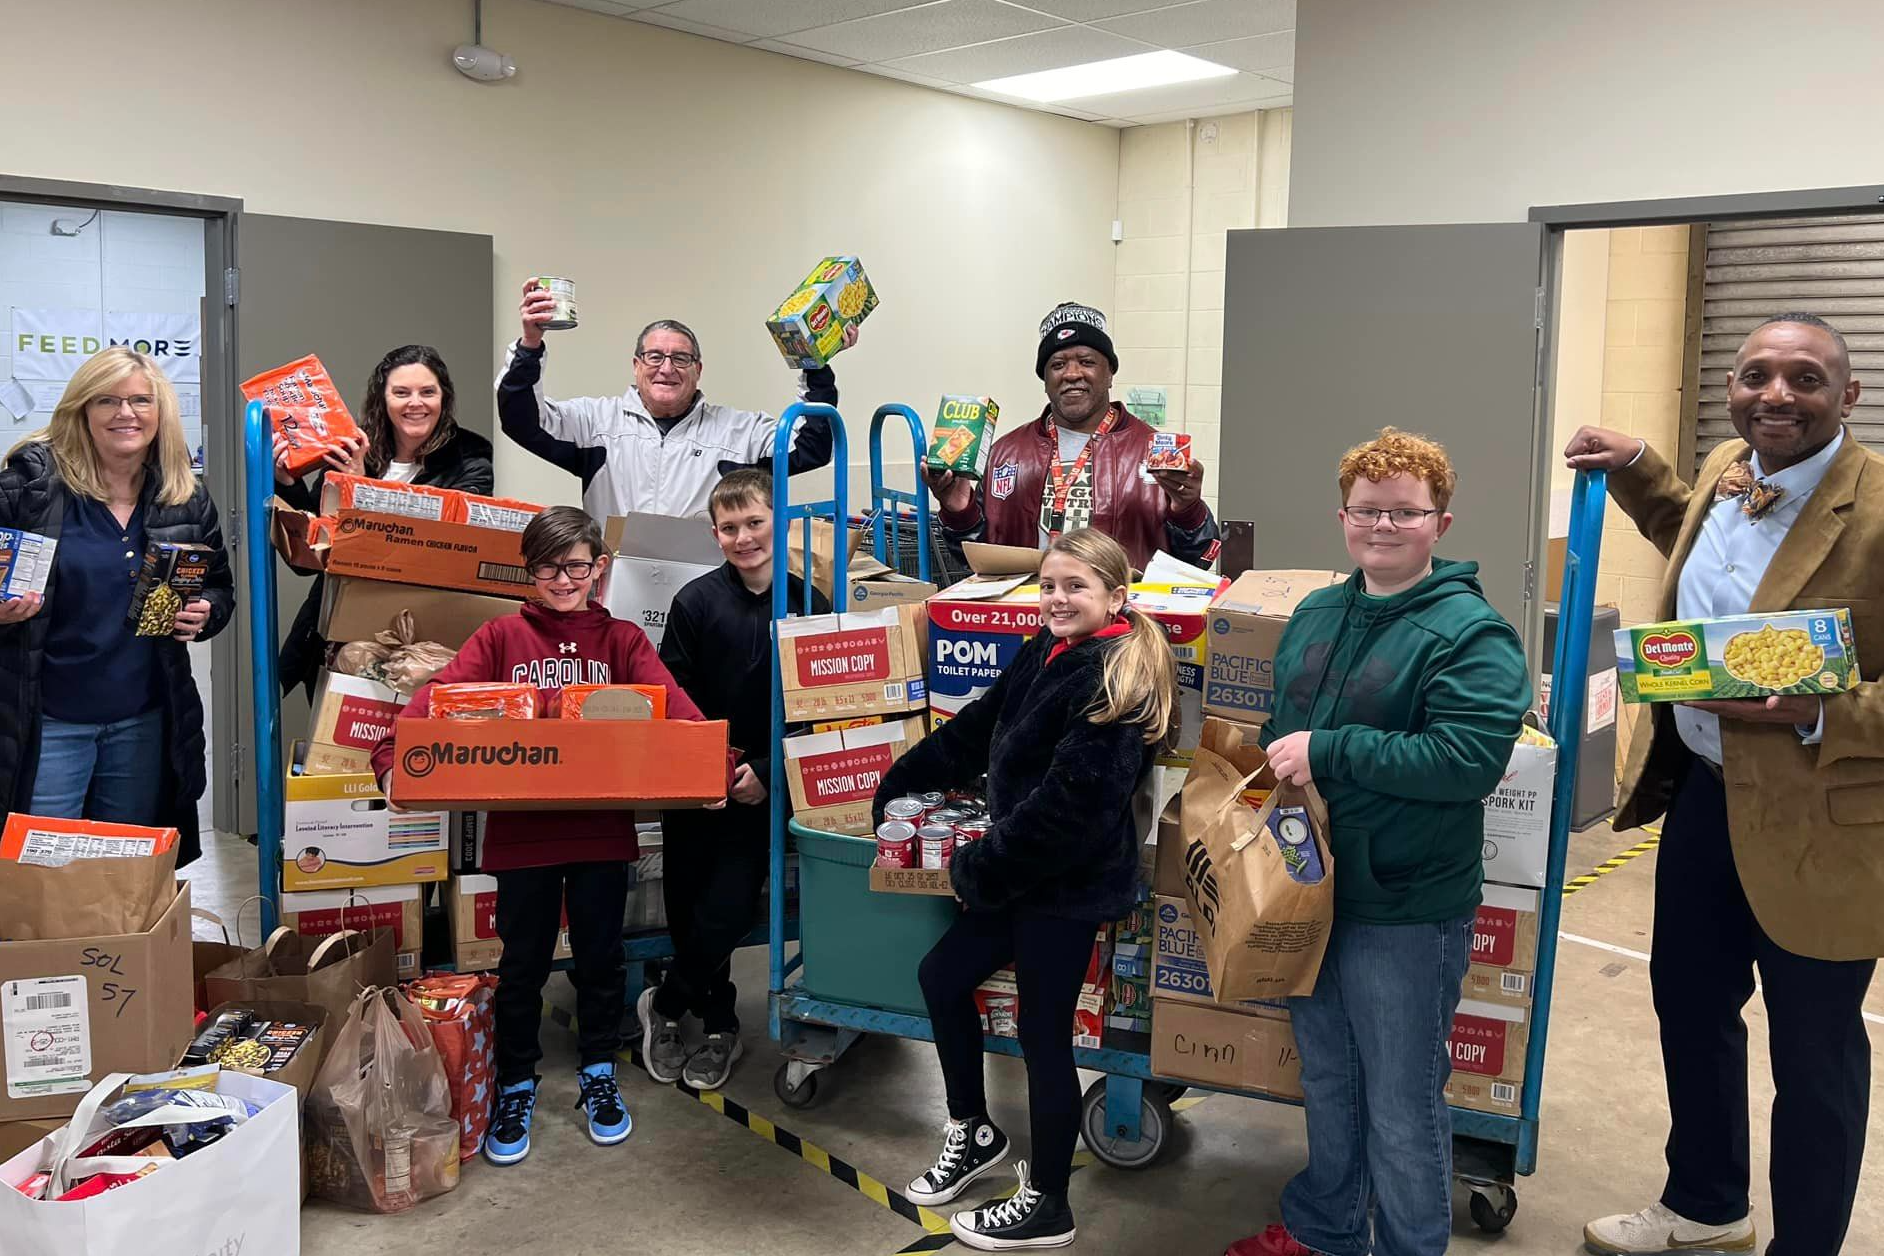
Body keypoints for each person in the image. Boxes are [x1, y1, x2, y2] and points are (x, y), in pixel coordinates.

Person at [1567, 313, 1884, 1256]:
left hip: (1824, 820)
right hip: (1705, 792)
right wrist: (1638, 466)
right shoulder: (1722, 468)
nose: (1774, 395)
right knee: (1692, 1004)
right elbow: (1697, 541)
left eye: (1803, 378)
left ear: (1849, 395)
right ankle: (1706, 1206)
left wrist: (1817, 713)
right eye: (1754, 376)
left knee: (1814, 1050)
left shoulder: (1877, 511)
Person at [1225, 428, 1528, 1256]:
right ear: (1342, 516)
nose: (1383, 526)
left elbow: (1466, 763)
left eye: (1405, 512)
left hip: (1403, 904)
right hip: (1310, 889)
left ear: (1442, 523)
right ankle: (1327, 1228)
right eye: (1368, 510)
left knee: (1401, 1102)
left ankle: (1408, 1244)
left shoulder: (1473, 636)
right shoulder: (1319, 610)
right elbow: (1283, 726)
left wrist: (1332, 749)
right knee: (1328, 1078)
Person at [371, 505, 710, 1167]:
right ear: (530, 571)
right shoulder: (500, 637)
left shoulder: (623, 645)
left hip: (601, 830)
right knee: (522, 965)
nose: (563, 579)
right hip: (522, 834)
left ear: (598, 570)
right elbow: (437, 700)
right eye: (550, 567)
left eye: (576, 566)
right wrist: (391, 757)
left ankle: (597, 1073)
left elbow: (677, 711)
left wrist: (721, 764)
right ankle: (518, 1081)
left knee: (601, 959)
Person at [872, 527, 1176, 1251]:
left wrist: (977, 872)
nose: (1058, 598)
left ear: (1115, 598)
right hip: (1019, 872)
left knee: (1043, 1037)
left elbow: (1069, 815)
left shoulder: (1114, 679)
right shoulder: (1046, 650)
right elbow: (978, 728)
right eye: (1049, 585)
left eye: (1076, 586)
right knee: (942, 977)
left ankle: (1047, 1202)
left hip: (1064, 887)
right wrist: (901, 781)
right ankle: (974, 1130)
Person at [0, 347, 234, 867]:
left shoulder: (184, 496)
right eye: (107, 400)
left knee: (123, 873)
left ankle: (115, 956)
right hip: (48, 720)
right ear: (81, 410)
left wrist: (206, 613)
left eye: (139, 401)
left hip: (142, 720)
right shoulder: (31, 486)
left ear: (160, 412)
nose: (125, 414)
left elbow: (219, 587)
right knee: (40, 872)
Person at [639, 469, 829, 1090]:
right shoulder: (695, 602)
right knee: (689, 910)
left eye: (755, 523)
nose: (744, 537)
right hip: (697, 782)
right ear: (714, 533)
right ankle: (720, 1023)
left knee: (729, 910)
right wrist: (720, 768)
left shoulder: (809, 604)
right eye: (730, 528)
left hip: (764, 790)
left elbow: (821, 709)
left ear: (779, 520)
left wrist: (768, 777)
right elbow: (675, 696)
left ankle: (663, 1005)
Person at [496, 280, 854, 520]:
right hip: (613, 595)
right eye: (654, 357)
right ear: (636, 366)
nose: (666, 368)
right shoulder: (595, 423)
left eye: (680, 359)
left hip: (702, 600)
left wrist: (816, 361)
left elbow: (811, 446)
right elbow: (522, 420)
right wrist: (530, 343)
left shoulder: (738, 432)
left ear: (698, 369)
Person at [928, 302, 1218, 573]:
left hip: (1121, 620)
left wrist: (1188, 510)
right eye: (1057, 365)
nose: (1072, 374)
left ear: (1110, 374)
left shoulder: (1153, 453)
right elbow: (974, 561)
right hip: (1028, 617)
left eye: (1086, 361)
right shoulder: (1006, 452)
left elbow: (1197, 562)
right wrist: (958, 511)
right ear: (1045, 380)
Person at [275, 344, 493, 698]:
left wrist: (360, 488)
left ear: (444, 398)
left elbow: (439, 553)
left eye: (428, 392)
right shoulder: (351, 449)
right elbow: (314, 555)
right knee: (340, 746)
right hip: (337, 628)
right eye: (401, 392)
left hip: (422, 638)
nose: (415, 403)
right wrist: (288, 484)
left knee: (405, 747)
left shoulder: (471, 461)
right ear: (383, 398)